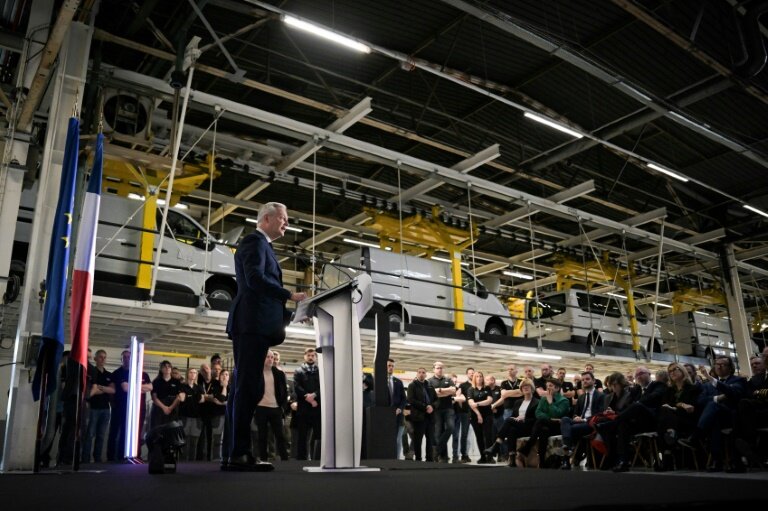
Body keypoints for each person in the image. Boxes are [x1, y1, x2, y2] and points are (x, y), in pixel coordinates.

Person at [224, 202, 307, 472]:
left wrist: (292, 314)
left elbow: (262, 291)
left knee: (247, 388)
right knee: (248, 388)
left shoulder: (264, 246)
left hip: (257, 324)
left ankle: (235, 453)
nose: (287, 223)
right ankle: (239, 454)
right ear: (267, 219)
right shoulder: (254, 242)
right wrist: (289, 295)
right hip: (251, 325)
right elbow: (255, 279)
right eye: (283, 218)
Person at [484, 378, 539, 466]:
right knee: (511, 430)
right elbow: (513, 416)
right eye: (523, 386)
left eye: (527, 386)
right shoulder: (518, 402)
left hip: (530, 427)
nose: (525, 388)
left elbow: (537, 419)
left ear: (532, 388)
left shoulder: (537, 402)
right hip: (519, 427)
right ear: (521, 389)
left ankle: (496, 445)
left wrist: (523, 418)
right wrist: (516, 418)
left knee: (509, 420)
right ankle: (512, 459)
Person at [254, 351, 289, 462]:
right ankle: (263, 460)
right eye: (267, 357)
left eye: (272, 357)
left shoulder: (279, 374)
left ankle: (285, 459)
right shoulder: (256, 373)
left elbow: (285, 392)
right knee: (262, 436)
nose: (270, 359)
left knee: (280, 436)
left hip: (276, 408)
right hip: (261, 407)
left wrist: (282, 407)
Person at [82, 349, 115, 463]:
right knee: (90, 434)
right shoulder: (91, 372)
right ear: (95, 358)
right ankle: (85, 459)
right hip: (93, 407)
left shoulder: (109, 375)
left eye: (104, 357)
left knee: (101, 435)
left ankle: (97, 459)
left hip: (106, 409)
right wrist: (104, 389)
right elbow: (90, 390)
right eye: (100, 357)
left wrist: (99, 388)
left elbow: (112, 390)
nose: (103, 359)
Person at [294, 348, 321, 460]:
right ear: (304, 356)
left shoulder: (321, 371)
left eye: (313, 355)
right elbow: (297, 387)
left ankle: (318, 459)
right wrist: (309, 398)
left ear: (316, 357)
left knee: (319, 435)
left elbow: (323, 386)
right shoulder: (298, 371)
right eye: (308, 355)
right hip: (303, 409)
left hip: (317, 408)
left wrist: (315, 395)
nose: (310, 357)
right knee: (302, 436)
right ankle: (301, 459)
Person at [427, 361, 456, 462]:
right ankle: (442, 457)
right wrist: (446, 391)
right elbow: (431, 393)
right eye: (438, 368)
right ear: (434, 369)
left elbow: (453, 391)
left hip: (448, 408)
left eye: (441, 368)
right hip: (436, 410)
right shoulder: (429, 381)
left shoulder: (448, 379)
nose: (440, 369)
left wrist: (439, 391)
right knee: (438, 433)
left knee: (450, 427)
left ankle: (437, 450)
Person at [406, 368, 437, 461]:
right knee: (418, 439)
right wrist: (425, 407)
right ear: (417, 374)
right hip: (419, 416)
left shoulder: (430, 386)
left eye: (423, 372)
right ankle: (418, 458)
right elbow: (411, 400)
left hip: (430, 416)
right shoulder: (412, 385)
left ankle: (429, 459)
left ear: (426, 375)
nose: (421, 374)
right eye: (419, 372)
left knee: (430, 439)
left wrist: (432, 406)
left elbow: (436, 400)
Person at [467, 371, 494, 463]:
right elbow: (471, 403)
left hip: (487, 415)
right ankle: (482, 457)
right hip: (475, 416)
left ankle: (489, 456)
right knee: (479, 436)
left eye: (481, 376)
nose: (479, 378)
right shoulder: (471, 389)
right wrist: (478, 415)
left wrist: (477, 403)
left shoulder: (487, 388)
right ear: (474, 378)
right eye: (477, 376)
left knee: (488, 436)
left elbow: (489, 400)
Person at [150, 360, 183, 429]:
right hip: (159, 409)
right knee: (158, 431)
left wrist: (170, 408)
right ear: (161, 369)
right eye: (165, 367)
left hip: (173, 408)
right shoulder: (156, 381)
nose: (167, 368)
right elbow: (154, 398)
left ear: (171, 369)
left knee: (171, 431)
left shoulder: (177, 382)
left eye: (169, 366)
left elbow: (179, 397)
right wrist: (164, 408)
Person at [179, 367, 203, 461]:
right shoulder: (182, 386)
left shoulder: (199, 387)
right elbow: (182, 399)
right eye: (191, 372)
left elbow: (202, 400)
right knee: (184, 441)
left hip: (196, 417)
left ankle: (192, 462)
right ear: (187, 374)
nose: (193, 374)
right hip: (185, 416)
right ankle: (183, 462)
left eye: (195, 373)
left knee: (194, 442)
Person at [386, 358, 407, 459]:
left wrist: (399, 408)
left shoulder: (398, 382)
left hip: (398, 416)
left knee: (398, 440)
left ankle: (396, 459)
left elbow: (404, 399)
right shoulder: (378, 381)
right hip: (385, 416)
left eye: (392, 366)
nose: (391, 368)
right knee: (387, 440)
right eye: (389, 366)